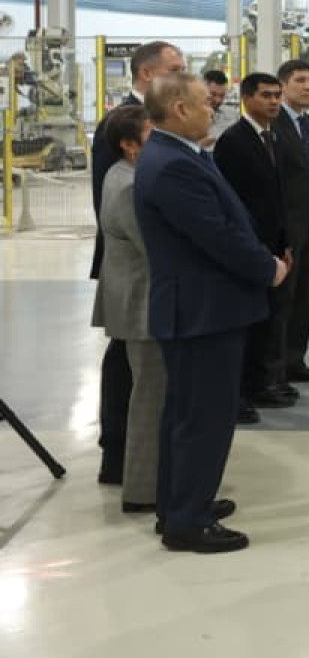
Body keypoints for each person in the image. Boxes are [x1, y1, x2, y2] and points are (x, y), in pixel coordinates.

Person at [135, 71, 289, 553]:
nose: (213, 109)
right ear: (179, 109)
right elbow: (217, 235)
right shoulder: (173, 165)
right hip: (202, 311)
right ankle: (188, 521)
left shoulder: (182, 154)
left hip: (201, 308)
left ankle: (181, 503)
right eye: (205, 102)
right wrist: (267, 268)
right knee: (204, 417)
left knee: (187, 414)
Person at [90, 39, 185, 488]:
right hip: (132, 267)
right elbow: (114, 203)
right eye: (175, 67)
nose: (183, 74)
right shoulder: (123, 124)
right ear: (148, 74)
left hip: (142, 265)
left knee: (138, 369)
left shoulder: (156, 119)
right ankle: (119, 455)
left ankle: (135, 459)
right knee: (128, 368)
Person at [214, 73, 298, 417]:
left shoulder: (271, 136)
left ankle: (262, 383)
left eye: (277, 95)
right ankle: (242, 393)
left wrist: (284, 243)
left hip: (273, 245)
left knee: (269, 319)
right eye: (266, 95)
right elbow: (233, 202)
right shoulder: (234, 141)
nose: (274, 101)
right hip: (250, 247)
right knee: (249, 323)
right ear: (247, 98)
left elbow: (277, 196)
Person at [92, 105, 159, 515]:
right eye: (152, 134)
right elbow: (155, 249)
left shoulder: (123, 175)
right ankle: (143, 490)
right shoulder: (129, 186)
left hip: (133, 296)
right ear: (130, 145)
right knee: (149, 398)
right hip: (140, 301)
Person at [274, 59, 309, 387]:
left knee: (305, 297)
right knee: (283, 301)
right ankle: (275, 369)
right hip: (285, 228)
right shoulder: (274, 124)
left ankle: (295, 360)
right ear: (283, 86)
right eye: (300, 80)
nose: (308, 86)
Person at [203, 68, 239, 143]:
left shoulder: (233, 115)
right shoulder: (189, 115)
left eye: (222, 95)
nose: (218, 100)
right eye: (213, 94)